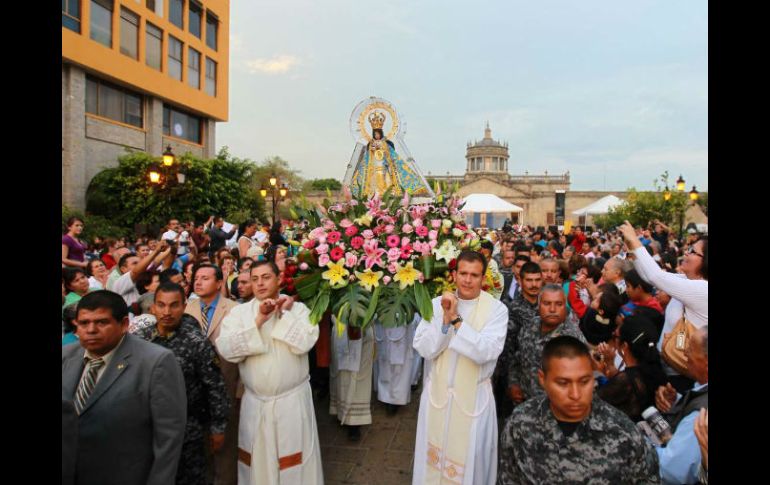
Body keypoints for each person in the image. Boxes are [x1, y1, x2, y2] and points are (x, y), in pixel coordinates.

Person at [62, 290, 187, 485]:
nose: (91, 329)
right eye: (84, 323)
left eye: (101, 322)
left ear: (124, 325)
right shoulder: (66, 356)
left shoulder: (155, 362)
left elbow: (169, 438)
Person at [498, 336, 660, 484]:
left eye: (584, 381)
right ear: (543, 379)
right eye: (563, 383)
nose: (575, 394)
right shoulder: (521, 423)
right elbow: (508, 477)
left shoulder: (624, 433)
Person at [216, 261, 323, 484]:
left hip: (291, 403)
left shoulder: (299, 310)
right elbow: (226, 349)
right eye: (254, 279)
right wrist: (259, 320)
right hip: (255, 404)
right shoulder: (239, 314)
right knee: (256, 463)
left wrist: (284, 315)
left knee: (295, 463)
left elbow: (305, 342)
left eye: (266, 277)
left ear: (279, 279)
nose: (260, 283)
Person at [412, 250, 508, 484]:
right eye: (463, 273)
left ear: (483, 278)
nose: (467, 280)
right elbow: (423, 348)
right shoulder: (436, 305)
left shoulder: (497, 310)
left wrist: (456, 321)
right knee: (432, 462)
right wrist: (444, 323)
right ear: (454, 274)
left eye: (474, 275)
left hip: (472, 400)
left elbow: (486, 351)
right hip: (438, 397)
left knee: (469, 464)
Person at [135, 283, 230, 485]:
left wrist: (218, 428)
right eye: (161, 305)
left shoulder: (197, 342)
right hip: (146, 430)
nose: (167, 312)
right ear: (153, 307)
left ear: (184, 306)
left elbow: (215, 386)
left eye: (174, 305)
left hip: (188, 431)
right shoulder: (139, 340)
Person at [619, 221, 707, 394]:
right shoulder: (688, 281)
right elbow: (648, 276)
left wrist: (635, 241)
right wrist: (631, 246)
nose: (686, 254)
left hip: (684, 376)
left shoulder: (704, 289)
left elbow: (656, 276)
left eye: (692, 251)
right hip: (668, 369)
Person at [185, 263, 240, 485]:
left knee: (226, 445)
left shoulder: (235, 309)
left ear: (219, 283)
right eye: (196, 277)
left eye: (205, 278)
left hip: (227, 384)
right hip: (196, 390)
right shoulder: (186, 309)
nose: (198, 282)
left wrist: (240, 388)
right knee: (200, 443)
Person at [508, 284, 587, 404]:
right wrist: (514, 383)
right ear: (539, 306)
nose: (552, 309)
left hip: (555, 408)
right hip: (526, 404)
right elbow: (518, 357)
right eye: (547, 303)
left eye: (559, 304)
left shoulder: (572, 338)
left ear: (565, 307)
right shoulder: (530, 326)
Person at [653, 326, 708, 484]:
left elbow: (671, 470)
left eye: (690, 349)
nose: (685, 353)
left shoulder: (699, 415)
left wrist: (640, 444)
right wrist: (678, 400)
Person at [594, 315, 669, 422]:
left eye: (616, 336)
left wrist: (598, 371)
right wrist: (610, 363)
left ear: (624, 346)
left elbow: (591, 403)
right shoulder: (654, 368)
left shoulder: (626, 381)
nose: (614, 338)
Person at [348, 111, 431, 197]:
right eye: (375, 134)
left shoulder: (386, 143)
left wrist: (383, 148)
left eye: (378, 134)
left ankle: (388, 193)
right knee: (374, 181)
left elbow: (390, 154)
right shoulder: (370, 143)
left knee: (386, 178)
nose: (377, 136)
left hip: (384, 165)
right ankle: (374, 194)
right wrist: (372, 149)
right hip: (374, 167)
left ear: (381, 133)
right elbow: (368, 156)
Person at [500, 262, 543, 418]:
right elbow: (507, 352)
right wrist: (512, 383)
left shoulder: (547, 307)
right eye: (529, 280)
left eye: (537, 280)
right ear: (520, 281)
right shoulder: (511, 310)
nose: (534, 284)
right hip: (520, 383)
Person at [373, 312, 421, 416]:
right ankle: (385, 397)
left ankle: (395, 400)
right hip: (383, 317)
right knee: (383, 362)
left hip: (402, 319)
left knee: (400, 365)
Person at [109, 243, 165, 308]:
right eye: (135, 263)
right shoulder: (119, 283)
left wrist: (171, 248)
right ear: (123, 269)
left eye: (140, 263)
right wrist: (156, 251)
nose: (141, 265)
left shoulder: (144, 280)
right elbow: (136, 272)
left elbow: (158, 262)